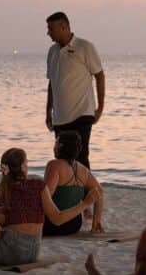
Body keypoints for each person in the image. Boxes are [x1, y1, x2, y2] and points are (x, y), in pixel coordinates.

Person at [45, 11, 105, 168]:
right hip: (60, 117)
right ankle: (68, 190)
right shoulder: (52, 52)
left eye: (51, 29)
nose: (48, 33)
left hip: (82, 114)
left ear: (64, 27)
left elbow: (100, 76)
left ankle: (88, 191)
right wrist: (48, 113)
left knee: (81, 157)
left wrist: (100, 108)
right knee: (62, 159)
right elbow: (52, 83)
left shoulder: (84, 47)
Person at [44, 132, 105, 235]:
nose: (54, 146)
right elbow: (100, 192)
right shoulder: (83, 169)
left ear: (60, 146)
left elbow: (46, 197)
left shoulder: (54, 165)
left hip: (54, 224)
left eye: (56, 143)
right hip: (74, 225)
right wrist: (96, 221)